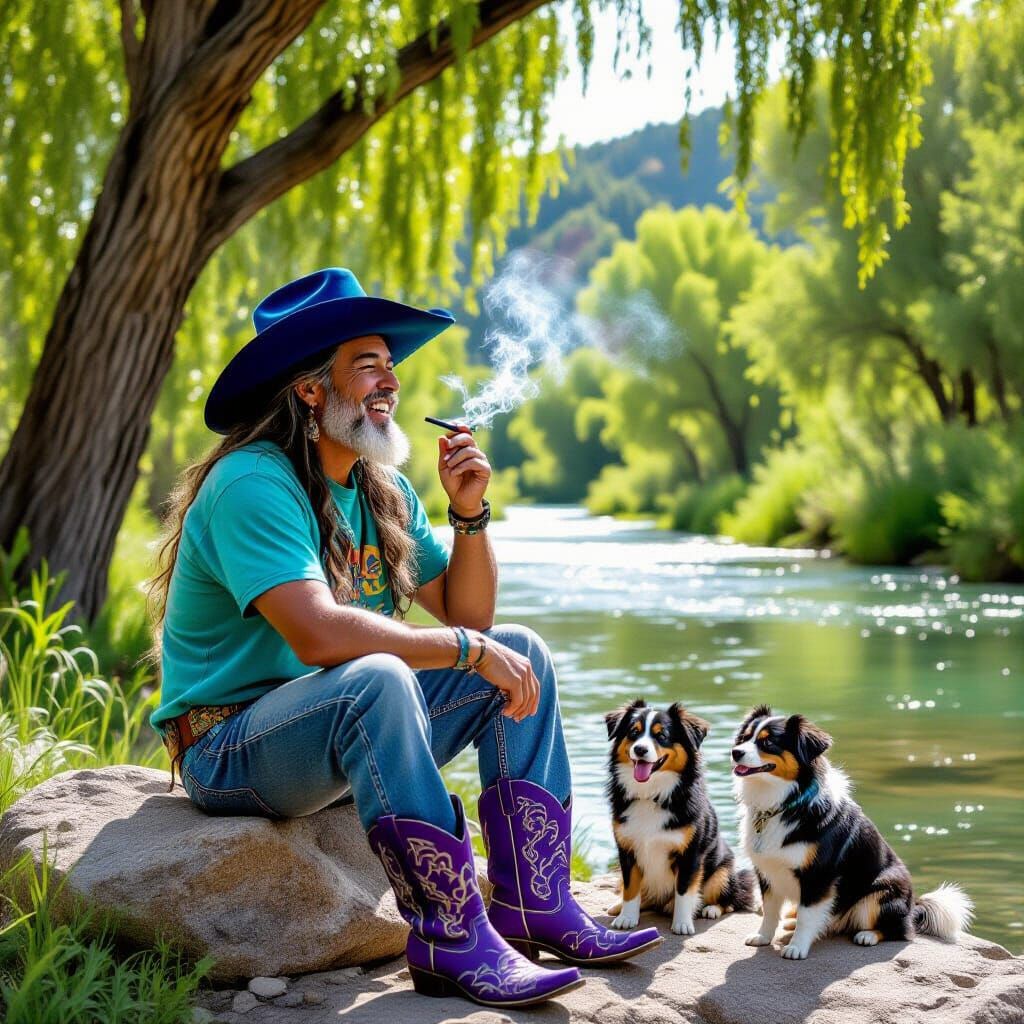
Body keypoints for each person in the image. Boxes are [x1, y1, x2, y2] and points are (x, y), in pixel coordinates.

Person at [146, 268, 661, 1009]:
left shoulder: (381, 486)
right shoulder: (252, 483)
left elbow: (471, 618)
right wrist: (465, 650)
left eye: (391, 364)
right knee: (381, 677)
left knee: (523, 651)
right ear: (310, 389)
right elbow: (322, 634)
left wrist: (470, 513)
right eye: (368, 364)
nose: (390, 380)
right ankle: (450, 936)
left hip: (327, 736)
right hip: (230, 749)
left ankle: (534, 904)